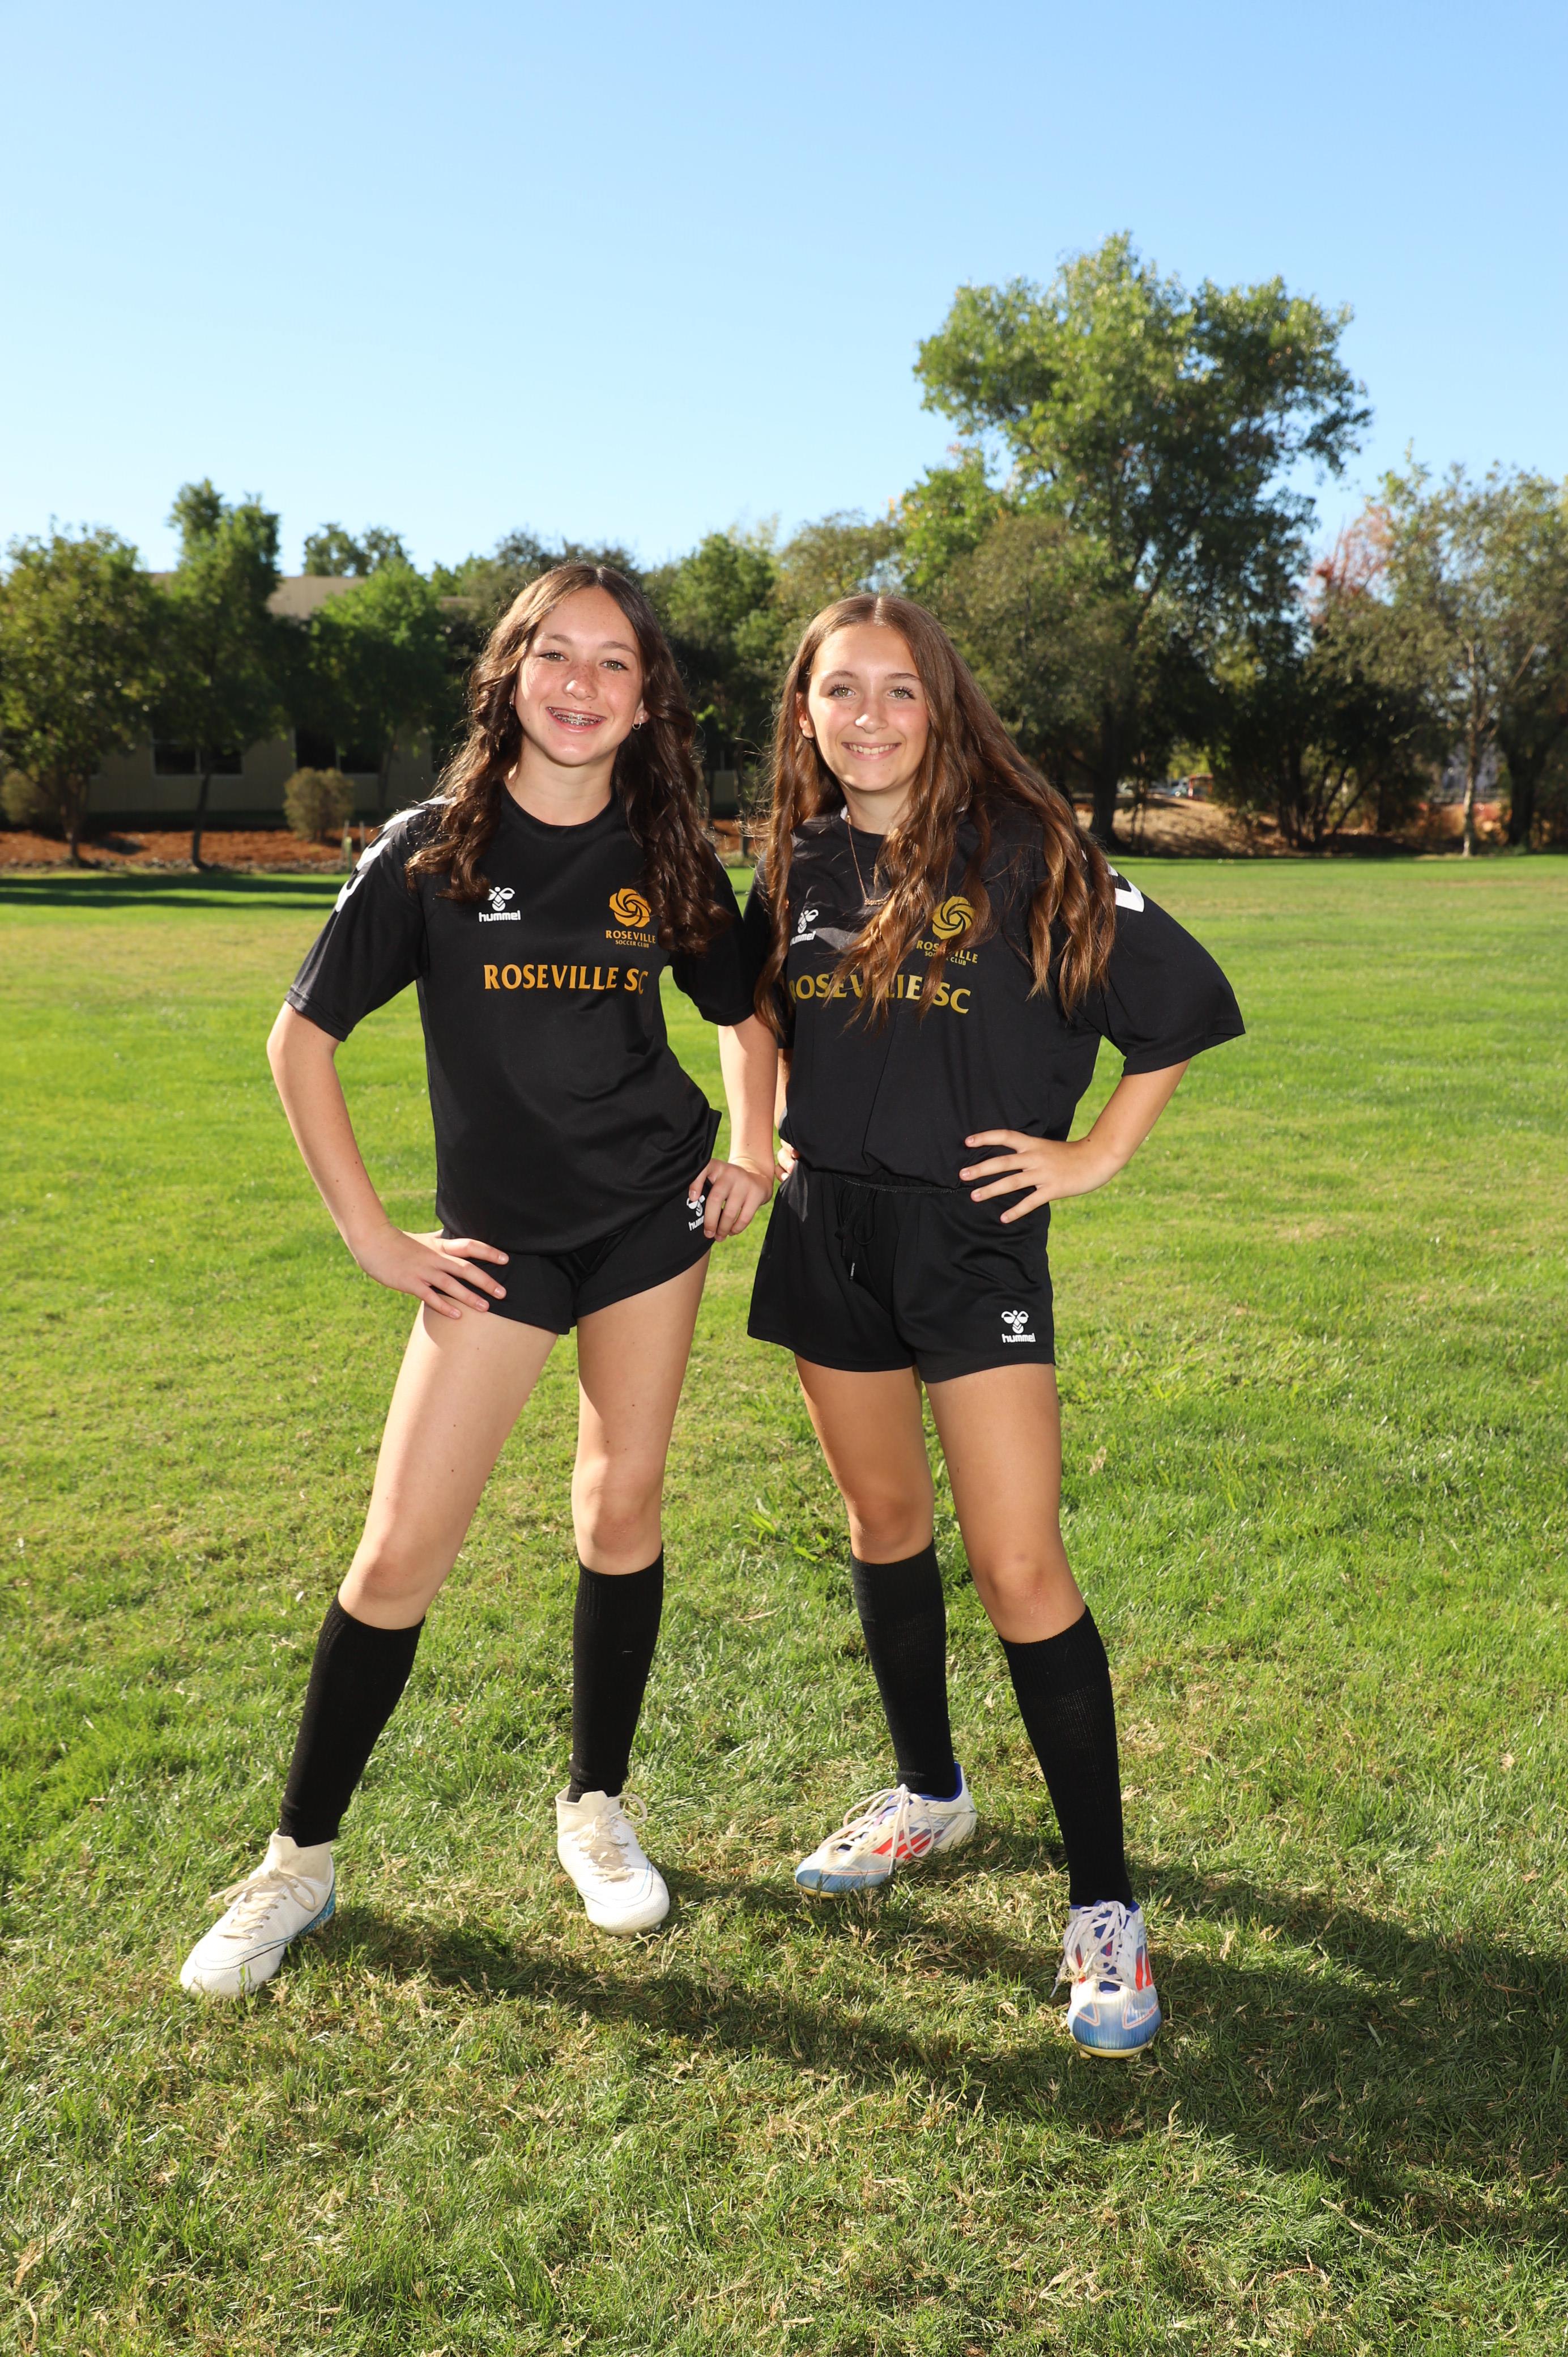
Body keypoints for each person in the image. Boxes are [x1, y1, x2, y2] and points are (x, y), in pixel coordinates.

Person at [180, 565, 775, 1998]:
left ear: (647, 700)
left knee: (619, 1506)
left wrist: (754, 1145)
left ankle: (596, 1806)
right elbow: (299, 1042)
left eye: (614, 663)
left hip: (648, 1221)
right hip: (497, 1252)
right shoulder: (432, 848)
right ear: (510, 673)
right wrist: (374, 1236)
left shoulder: (666, 846)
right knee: (399, 1552)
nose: (583, 685)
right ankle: (297, 1863)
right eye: (556, 655)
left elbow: (745, 1009)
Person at [742, 594, 1243, 2056]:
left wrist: (1091, 1156)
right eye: (842, 690)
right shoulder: (797, 857)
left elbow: (1182, 1003)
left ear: (943, 704)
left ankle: (1105, 1905)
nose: (871, 717)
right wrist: (759, 1131)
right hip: (826, 1230)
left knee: (1021, 1564)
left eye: (901, 689)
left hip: (971, 1240)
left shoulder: (1029, 851)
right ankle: (930, 1793)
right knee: (883, 1521)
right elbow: (752, 1004)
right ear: (806, 711)